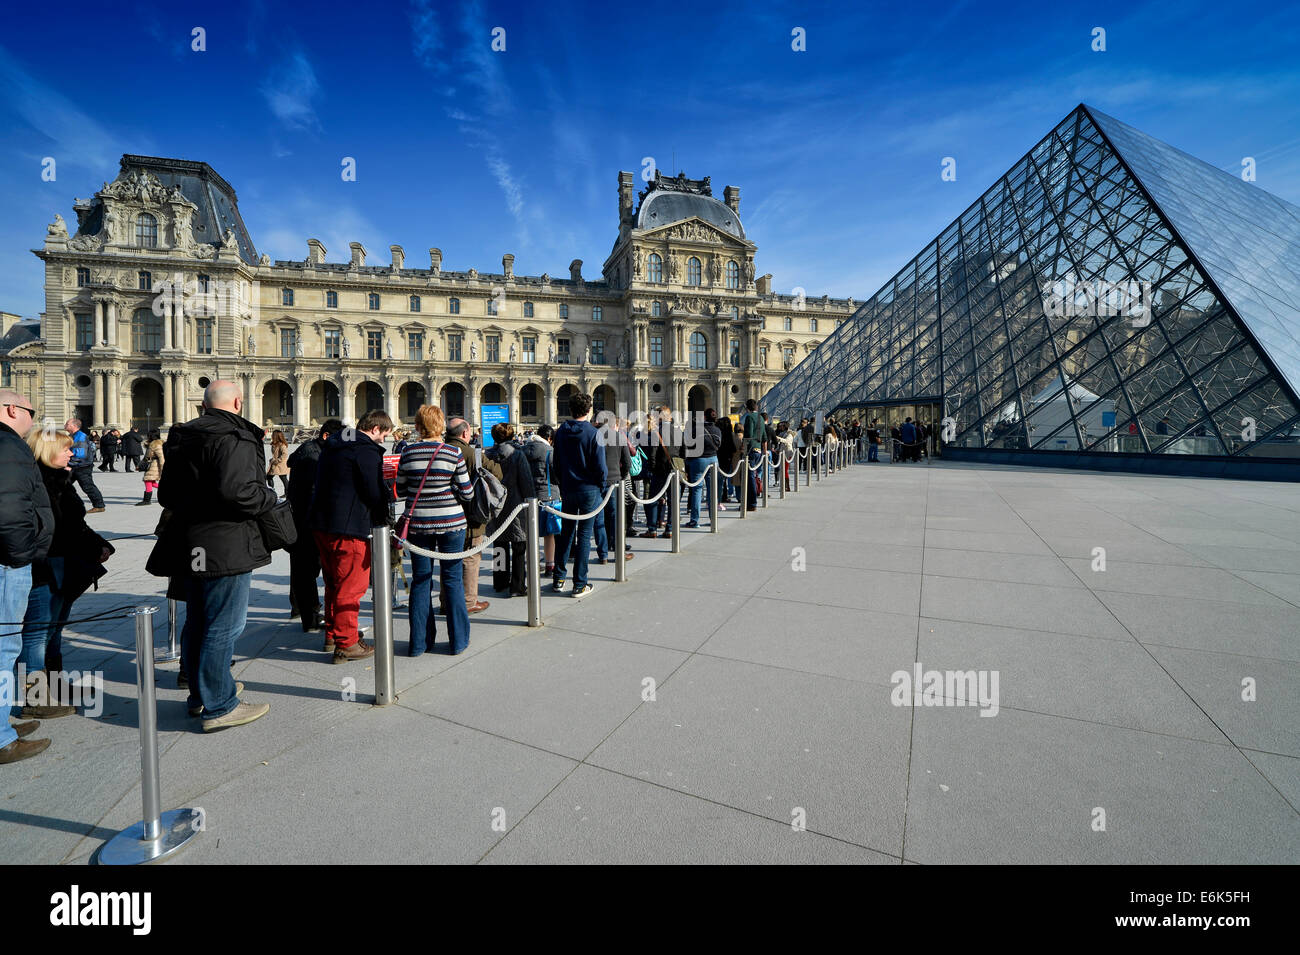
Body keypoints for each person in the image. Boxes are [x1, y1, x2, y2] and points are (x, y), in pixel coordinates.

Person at [146, 380, 275, 732]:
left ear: (204, 405)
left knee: (199, 620)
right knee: (225, 624)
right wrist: (270, 498)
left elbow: (167, 494)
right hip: (225, 542)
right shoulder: (236, 437)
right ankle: (220, 704)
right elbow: (241, 493)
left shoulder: (182, 437)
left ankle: (201, 694)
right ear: (238, 401)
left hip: (191, 540)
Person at [18, 428, 114, 719]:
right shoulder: (38, 483)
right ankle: (35, 696)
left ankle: (55, 685)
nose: (72, 453)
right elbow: (56, 528)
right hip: (45, 566)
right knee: (36, 633)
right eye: (66, 449)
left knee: (55, 628)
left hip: (66, 563)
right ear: (48, 451)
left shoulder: (62, 479)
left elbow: (75, 524)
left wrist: (97, 543)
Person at [309, 409, 393, 663]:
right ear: (376, 429)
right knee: (351, 585)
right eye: (384, 436)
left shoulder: (334, 445)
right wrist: (385, 510)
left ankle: (333, 635)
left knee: (334, 581)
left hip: (322, 522)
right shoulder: (364, 450)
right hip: (349, 525)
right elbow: (373, 492)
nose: (383, 442)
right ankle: (347, 643)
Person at [0, 390, 54, 763]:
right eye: (31, 412)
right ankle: (1, 737)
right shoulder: (7, 446)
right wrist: (22, 555)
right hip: (7, 561)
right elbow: (8, 507)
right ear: (11, 409)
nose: (33, 421)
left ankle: (1, 721)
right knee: (4, 648)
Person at [396, 405, 474, 655]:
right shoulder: (452, 452)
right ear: (440, 426)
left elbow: (401, 489)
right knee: (452, 580)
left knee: (421, 580)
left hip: (418, 524)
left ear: (418, 426)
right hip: (451, 523)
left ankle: (419, 644)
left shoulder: (408, 452)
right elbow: (467, 493)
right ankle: (458, 642)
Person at [287, 418, 343, 636]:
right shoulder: (314, 456)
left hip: (300, 519)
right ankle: (311, 616)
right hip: (309, 521)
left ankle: (303, 611)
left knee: (303, 570)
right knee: (311, 569)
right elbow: (315, 492)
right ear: (326, 437)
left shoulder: (307, 450)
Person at [551, 392, 606, 598]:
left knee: (566, 533)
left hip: (568, 487)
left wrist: (562, 481)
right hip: (589, 488)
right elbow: (600, 467)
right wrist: (600, 485)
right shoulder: (593, 433)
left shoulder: (561, 432)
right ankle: (580, 584)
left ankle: (558, 579)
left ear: (570, 408)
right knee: (584, 535)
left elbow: (555, 462)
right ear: (589, 410)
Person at [445, 418, 492, 614]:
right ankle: (469, 601)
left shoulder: (441, 450)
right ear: (465, 434)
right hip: (469, 513)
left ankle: (447, 601)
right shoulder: (470, 453)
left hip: (445, 514)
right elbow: (494, 472)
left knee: (449, 560)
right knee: (471, 557)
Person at [486, 422, 535, 595]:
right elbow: (526, 481)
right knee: (519, 545)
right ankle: (518, 585)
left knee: (499, 545)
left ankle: (500, 582)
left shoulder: (487, 454)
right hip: (515, 504)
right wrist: (532, 501)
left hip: (495, 505)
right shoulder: (517, 454)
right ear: (511, 435)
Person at [521, 423, 559, 577]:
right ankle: (550, 565)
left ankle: (533, 563)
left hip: (528, 496)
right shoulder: (550, 451)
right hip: (548, 495)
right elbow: (556, 475)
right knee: (549, 533)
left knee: (531, 533)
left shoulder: (522, 450)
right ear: (549, 438)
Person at [597, 416, 636, 558]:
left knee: (599, 517)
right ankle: (618, 549)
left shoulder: (594, 436)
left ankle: (603, 553)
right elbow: (627, 463)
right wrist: (621, 476)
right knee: (615, 516)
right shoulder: (619, 437)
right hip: (614, 481)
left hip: (597, 482)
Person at [685, 409, 721, 528]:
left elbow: (689, 444)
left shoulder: (696, 430)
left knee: (697, 490)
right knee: (712, 490)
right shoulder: (717, 430)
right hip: (713, 459)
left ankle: (694, 521)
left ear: (704, 417)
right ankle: (713, 519)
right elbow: (719, 445)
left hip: (699, 460)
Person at [65, 419, 105, 513]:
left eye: (67, 423)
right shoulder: (72, 435)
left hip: (82, 466)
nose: (65, 425)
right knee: (63, 484)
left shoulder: (80, 436)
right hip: (76, 465)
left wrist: (68, 462)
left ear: (74, 426)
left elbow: (80, 454)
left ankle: (99, 505)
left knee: (88, 486)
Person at [740, 399, 765, 511]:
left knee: (748, 477)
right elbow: (764, 437)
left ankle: (751, 503)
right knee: (754, 476)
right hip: (758, 449)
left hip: (750, 450)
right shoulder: (761, 417)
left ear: (747, 408)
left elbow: (748, 435)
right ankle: (751, 501)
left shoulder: (749, 417)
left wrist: (743, 448)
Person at [136, 428, 164, 505]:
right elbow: (148, 457)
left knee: (148, 480)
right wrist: (140, 465)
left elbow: (161, 457)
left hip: (155, 465)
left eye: (148, 435)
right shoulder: (152, 444)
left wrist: (163, 470)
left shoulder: (157, 444)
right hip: (151, 464)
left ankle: (147, 500)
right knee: (151, 482)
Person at [267, 429, 289, 494]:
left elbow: (285, 454)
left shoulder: (282, 445)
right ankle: (272, 491)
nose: (271, 436)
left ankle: (287, 493)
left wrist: (277, 460)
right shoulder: (274, 444)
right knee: (269, 477)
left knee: (283, 478)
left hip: (280, 465)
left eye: (273, 435)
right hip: (275, 464)